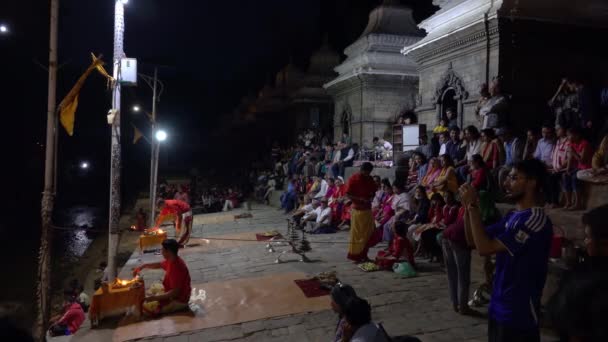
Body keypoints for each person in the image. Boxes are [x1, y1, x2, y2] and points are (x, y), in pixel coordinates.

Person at [461, 159, 552, 342]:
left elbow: (485, 248)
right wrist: (468, 207)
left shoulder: (534, 220)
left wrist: (472, 207)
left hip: (519, 312)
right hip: (498, 306)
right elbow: (474, 240)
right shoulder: (512, 216)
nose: (505, 183)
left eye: (513, 178)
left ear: (532, 182)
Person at [547, 204, 608, 342]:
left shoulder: (589, 282)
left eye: (588, 237)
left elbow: (574, 327)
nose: (585, 242)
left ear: (605, 244)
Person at [133, 239, 192, 315]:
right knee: (153, 289)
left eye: (163, 250)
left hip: (179, 300)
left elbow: (175, 293)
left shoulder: (177, 267)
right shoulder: (172, 260)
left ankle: (171, 307)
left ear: (169, 252)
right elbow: (160, 265)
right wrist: (144, 266)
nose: (161, 252)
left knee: (145, 308)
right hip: (172, 292)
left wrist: (154, 298)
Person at [441, 205, 474, 315]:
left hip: (447, 235)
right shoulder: (474, 210)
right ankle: (463, 306)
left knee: (452, 273)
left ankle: (455, 303)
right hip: (458, 240)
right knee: (463, 275)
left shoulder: (463, 208)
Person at [345, 162, 378, 262]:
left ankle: (364, 254)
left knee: (368, 234)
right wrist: (360, 199)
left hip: (367, 209)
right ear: (362, 170)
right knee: (357, 234)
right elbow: (348, 194)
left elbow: (373, 191)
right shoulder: (354, 179)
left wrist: (371, 197)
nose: (367, 174)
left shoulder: (370, 179)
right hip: (358, 210)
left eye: (369, 172)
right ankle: (356, 256)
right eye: (366, 172)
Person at [562, 126, 591, 210]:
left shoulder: (585, 144)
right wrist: (567, 169)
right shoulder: (572, 143)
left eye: (569, 135)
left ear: (577, 135)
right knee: (565, 175)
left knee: (575, 177)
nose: (567, 137)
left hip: (586, 168)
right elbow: (570, 158)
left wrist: (573, 152)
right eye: (567, 135)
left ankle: (578, 203)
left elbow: (583, 161)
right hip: (578, 168)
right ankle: (568, 202)